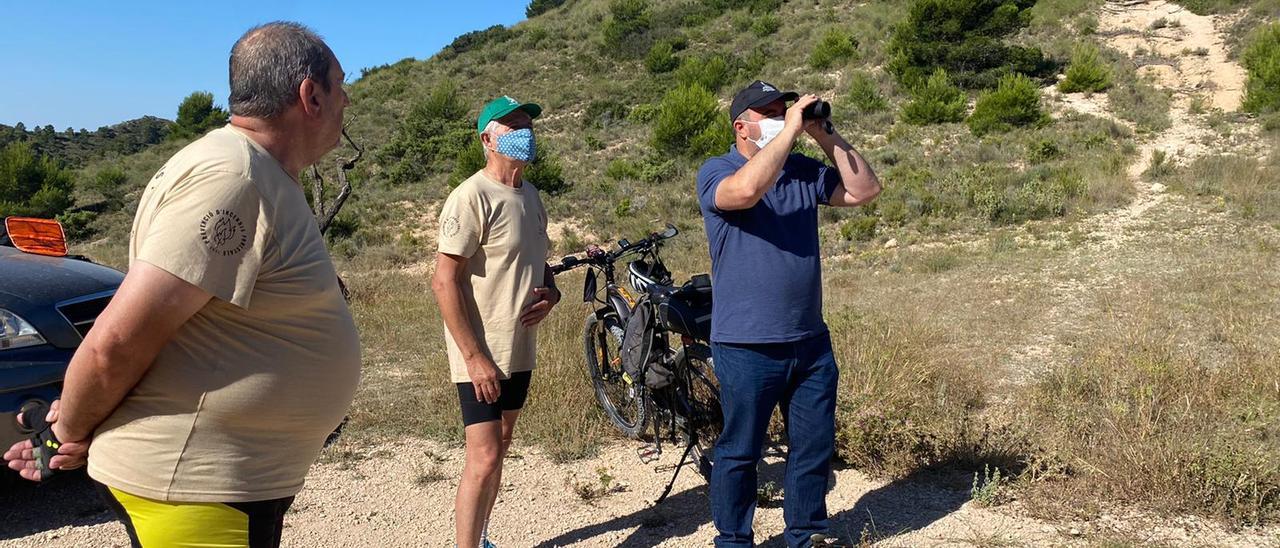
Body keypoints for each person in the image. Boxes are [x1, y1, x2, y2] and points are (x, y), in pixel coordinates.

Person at [3, 21, 359, 547]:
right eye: (339, 82)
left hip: (221, 482)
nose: (347, 97)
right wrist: (64, 432)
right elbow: (118, 341)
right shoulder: (233, 180)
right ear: (309, 94)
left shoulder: (251, 172)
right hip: (198, 485)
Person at [696, 80, 882, 548]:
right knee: (741, 451)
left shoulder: (801, 169)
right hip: (745, 343)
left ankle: (805, 533)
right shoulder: (716, 171)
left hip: (809, 340)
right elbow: (744, 192)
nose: (782, 117)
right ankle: (734, 540)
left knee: (813, 447)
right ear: (741, 126)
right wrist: (789, 132)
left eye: (785, 109)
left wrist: (824, 135)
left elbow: (864, 190)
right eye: (770, 113)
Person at [431, 95, 559, 548]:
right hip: (480, 352)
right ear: (487, 139)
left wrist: (552, 293)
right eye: (513, 126)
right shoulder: (470, 197)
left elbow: (539, 261)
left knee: (500, 447)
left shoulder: (531, 195)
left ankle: (482, 536)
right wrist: (474, 358)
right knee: (483, 457)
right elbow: (444, 282)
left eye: (527, 123)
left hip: (519, 346)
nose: (525, 131)